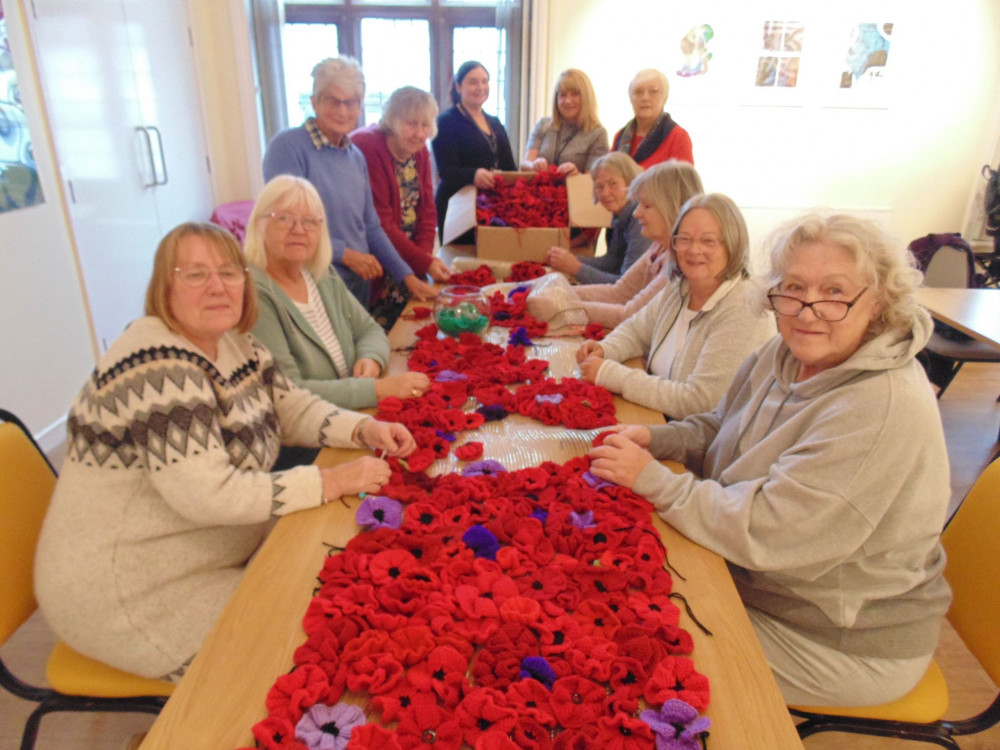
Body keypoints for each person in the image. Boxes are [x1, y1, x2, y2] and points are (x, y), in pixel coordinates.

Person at [589, 213, 952, 707]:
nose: (807, 310)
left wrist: (655, 481)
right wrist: (656, 440)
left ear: (880, 302)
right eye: (794, 287)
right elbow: (720, 426)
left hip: (834, 635)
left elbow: (769, 531)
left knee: (625, 656)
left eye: (834, 292)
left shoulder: (879, 404)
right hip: (762, 583)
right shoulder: (781, 355)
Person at [34, 222, 416, 681]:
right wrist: (331, 481)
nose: (217, 287)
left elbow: (289, 406)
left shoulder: (234, 341)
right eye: (195, 274)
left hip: (203, 561)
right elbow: (208, 494)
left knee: (332, 607)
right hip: (129, 593)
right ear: (165, 287)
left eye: (229, 273)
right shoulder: (156, 364)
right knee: (298, 653)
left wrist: (364, 429)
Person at [576, 194, 776, 418]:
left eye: (708, 240)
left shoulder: (745, 308)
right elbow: (636, 330)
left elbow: (700, 402)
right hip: (661, 420)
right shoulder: (680, 286)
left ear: (733, 243)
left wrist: (611, 374)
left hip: (700, 445)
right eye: (685, 239)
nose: (693, 250)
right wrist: (606, 348)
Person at [245, 175, 431, 413]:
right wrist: (376, 390)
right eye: (284, 219)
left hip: (347, 415)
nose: (299, 229)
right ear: (259, 224)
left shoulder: (319, 273)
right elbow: (288, 392)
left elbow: (369, 329)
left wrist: (371, 359)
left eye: (310, 221)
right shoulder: (255, 293)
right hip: (308, 440)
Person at [262, 56, 437, 309]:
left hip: (357, 286)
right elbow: (283, 224)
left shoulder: (355, 156)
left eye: (351, 102)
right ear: (314, 102)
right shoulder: (288, 147)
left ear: (360, 107)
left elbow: (372, 227)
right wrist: (346, 254)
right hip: (312, 286)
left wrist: (407, 276)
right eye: (333, 100)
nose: (343, 111)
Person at [350, 86, 451, 325]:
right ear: (392, 120)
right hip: (376, 258)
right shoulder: (368, 145)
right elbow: (380, 222)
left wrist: (423, 256)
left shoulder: (420, 151)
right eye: (411, 124)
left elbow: (428, 208)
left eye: (425, 125)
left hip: (408, 258)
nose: (419, 133)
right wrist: (423, 262)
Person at [571, 160, 704, 328]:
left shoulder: (683, 260)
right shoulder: (659, 246)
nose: (636, 213)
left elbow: (630, 315)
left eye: (646, 206)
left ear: (672, 207)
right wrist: (562, 293)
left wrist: (562, 306)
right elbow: (620, 292)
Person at [432, 61, 517, 240]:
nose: (480, 87)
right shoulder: (445, 122)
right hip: (458, 206)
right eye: (473, 82)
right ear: (458, 86)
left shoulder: (495, 122)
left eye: (484, 81)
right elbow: (446, 171)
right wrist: (474, 175)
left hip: (493, 206)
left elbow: (510, 166)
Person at [545, 152, 651, 284]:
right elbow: (611, 262)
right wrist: (568, 259)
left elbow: (627, 286)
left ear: (631, 182)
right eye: (599, 187)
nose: (605, 193)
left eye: (613, 184)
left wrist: (575, 267)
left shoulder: (641, 220)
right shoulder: (621, 213)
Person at [520, 68, 609, 176]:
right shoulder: (543, 125)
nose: (568, 101)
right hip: (539, 190)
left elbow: (593, 180)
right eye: (563, 95)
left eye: (575, 94)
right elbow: (524, 165)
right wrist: (534, 165)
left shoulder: (598, 134)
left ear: (586, 97)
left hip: (575, 192)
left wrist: (576, 174)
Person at [612, 68, 693, 168]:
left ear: (665, 97)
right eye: (638, 92)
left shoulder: (677, 136)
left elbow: (684, 181)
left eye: (653, 92)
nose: (645, 98)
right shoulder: (620, 137)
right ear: (630, 98)